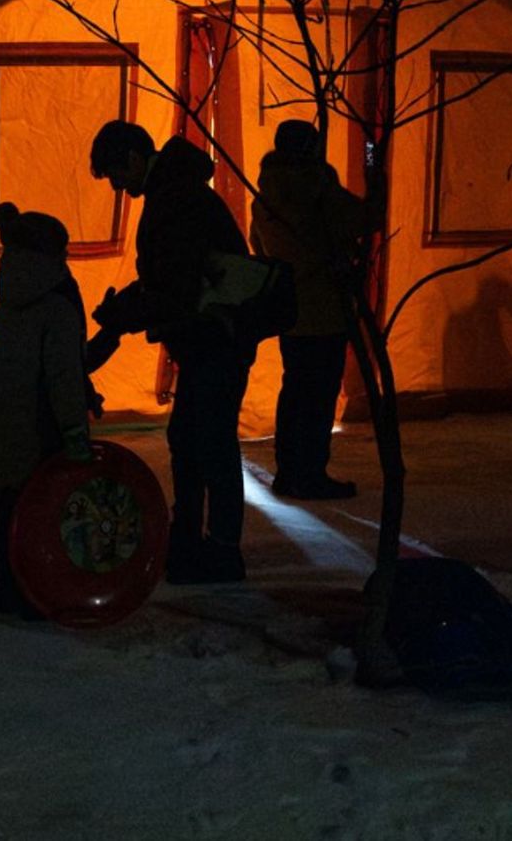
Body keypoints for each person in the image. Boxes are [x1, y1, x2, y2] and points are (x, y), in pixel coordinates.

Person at [88, 119, 252, 584]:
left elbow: (174, 288)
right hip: (212, 338)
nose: (120, 187)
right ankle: (195, 543)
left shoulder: (174, 200)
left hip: (215, 339)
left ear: (135, 159)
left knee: (210, 444)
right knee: (192, 440)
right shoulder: (176, 193)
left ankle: (218, 552)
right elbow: (170, 278)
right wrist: (124, 311)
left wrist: (122, 318)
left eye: (118, 176)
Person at [0, 201, 94, 619]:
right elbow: (63, 376)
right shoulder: (57, 305)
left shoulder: (7, 299)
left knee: (14, 500)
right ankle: (37, 591)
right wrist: (74, 431)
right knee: (47, 507)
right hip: (44, 421)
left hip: (11, 416)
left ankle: (7, 587)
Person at [250, 118, 367, 500]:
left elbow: (260, 249)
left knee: (295, 390)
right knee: (318, 396)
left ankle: (289, 470)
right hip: (325, 305)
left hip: (292, 309)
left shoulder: (264, 196)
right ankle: (311, 472)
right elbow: (361, 219)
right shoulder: (318, 187)